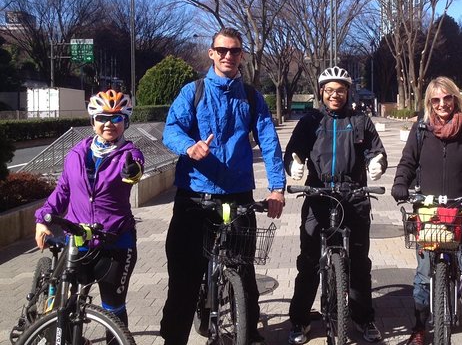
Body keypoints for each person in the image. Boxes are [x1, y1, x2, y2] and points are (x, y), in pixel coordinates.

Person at [160, 27, 286, 345]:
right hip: (194, 196)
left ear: (241, 55)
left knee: (243, 272)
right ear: (212, 53)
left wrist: (277, 187)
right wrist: (190, 146)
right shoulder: (194, 91)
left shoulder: (252, 98)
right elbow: (171, 130)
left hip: (237, 195)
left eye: (235, 51)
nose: (229, 55)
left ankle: (248, 331)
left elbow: (269, 142)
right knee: (184, 278)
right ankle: (173, 338)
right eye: (223, 50)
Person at [284, 66, 387, 344]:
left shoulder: (360, 120)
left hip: (353, 196)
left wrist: (377, 162)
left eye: (340, 90)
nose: (335, 95)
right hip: (318, 195)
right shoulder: (310, 121)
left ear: (347, 92)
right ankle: (300, 320)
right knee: (308, 263)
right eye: (329, 90)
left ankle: (363, 318)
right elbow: (294, 151)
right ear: (321, 92)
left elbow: (375, 151)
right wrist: (293, 163)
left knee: (359, 264)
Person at [391, 76, 462, 345]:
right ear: (429, 102)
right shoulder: (421, 131)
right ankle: (418, 328)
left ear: (455, 98)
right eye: (435, 99)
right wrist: (400, 183)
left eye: (447, 98)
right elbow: (407, 162)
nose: (442, 104)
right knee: (423, 275)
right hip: (429, 210)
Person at [34, 89, 144, 327]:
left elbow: (135, 169)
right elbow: (63, 191)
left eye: (116, 118)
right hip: (78, 241)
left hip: (116, 243)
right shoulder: (76, 154)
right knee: (65, 306)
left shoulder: (129, 153)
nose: (109, 124)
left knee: (113, 309)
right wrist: (42, 220)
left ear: (125, 122)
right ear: (93, 121)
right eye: (102, 117)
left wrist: (133, 171)